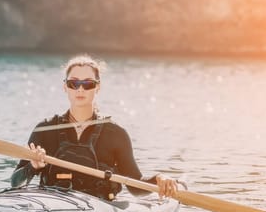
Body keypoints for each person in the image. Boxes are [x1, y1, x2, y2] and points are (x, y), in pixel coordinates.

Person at [10, 54, 178, 200]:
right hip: (51, 205)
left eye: (88, 84)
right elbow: (15, 182)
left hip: (99, 207)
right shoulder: (44, 130)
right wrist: (33, 167)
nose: (80, 89)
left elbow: (135, 187)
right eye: (73, 83)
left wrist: (159, 178)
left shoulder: (116, 134)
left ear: (97, 87)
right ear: (65, 87)